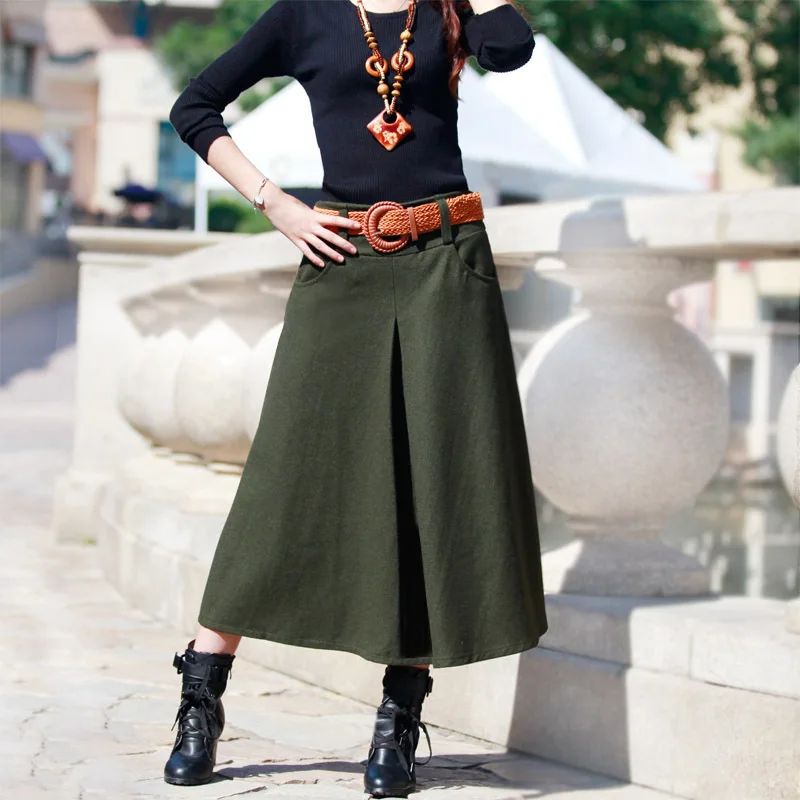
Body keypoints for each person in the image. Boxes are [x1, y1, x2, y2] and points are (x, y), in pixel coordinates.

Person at [165, 0, 547, 796]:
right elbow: (194, 107)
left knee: (429, 486)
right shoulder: (304, 15)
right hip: (340, 263)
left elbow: (511, 48)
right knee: (281, 480)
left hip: (447, 263)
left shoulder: (447, 9)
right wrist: (277, 205)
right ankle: (202, 694)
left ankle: (398, 717)